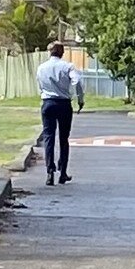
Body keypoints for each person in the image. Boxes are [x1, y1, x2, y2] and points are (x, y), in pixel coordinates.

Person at [35, 41, 84, 185]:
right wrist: (80, 99)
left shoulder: (41, 68)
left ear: (49, 52)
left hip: (48, 103)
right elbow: (77, 81)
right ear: (62, 52)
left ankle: (50, 172)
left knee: (49, 138)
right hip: (63, 103)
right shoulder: (67, 67)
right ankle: (63, 172)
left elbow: (40, 85)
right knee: (64, 138)